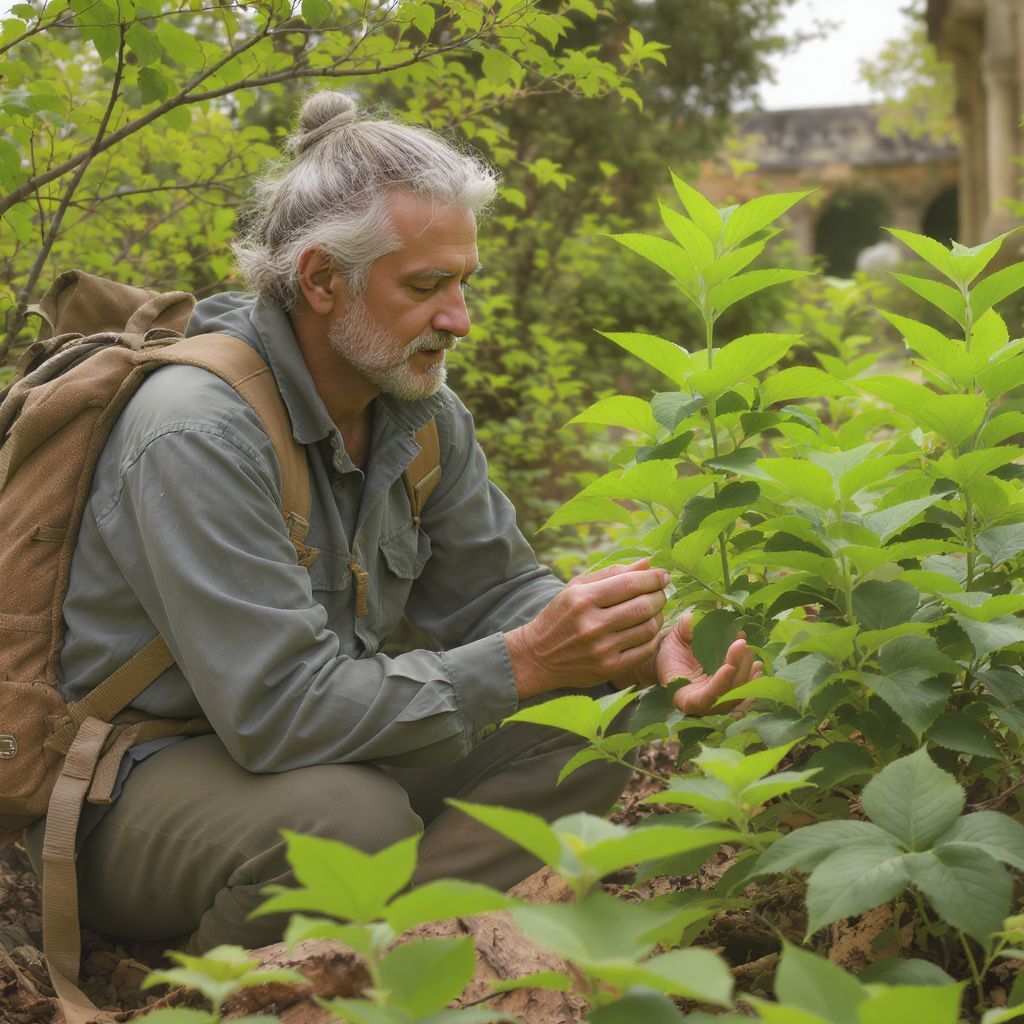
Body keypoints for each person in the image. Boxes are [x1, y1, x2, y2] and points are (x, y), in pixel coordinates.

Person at [25, 91, 760, 952]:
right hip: (128, 786)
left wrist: (630, 647)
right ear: (322, 280)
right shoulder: (195, 429)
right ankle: (218, 995)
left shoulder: (419, 412)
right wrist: (527, 660)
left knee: (599, 729)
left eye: (463, 283)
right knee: (346, 828)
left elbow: (499, 592)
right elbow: (280, 714)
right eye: (426, 286)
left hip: (310, 750)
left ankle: (379, 960)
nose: (459, 319)